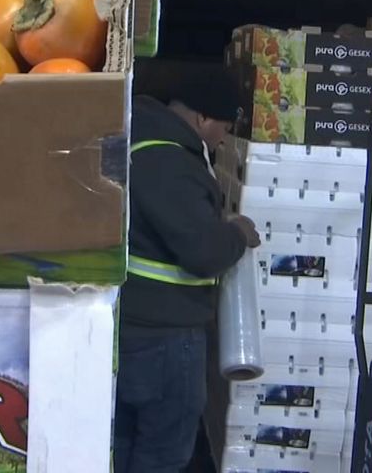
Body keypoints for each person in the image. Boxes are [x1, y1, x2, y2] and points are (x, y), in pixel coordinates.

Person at [114, 72, 261, 473]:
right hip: (165, 338)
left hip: (129, 328)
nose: (224, 141)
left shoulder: (138, 140)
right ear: (202, 120)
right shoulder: (171, 162)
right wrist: (236, 233)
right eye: (224, 129)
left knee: (123, 447)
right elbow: (202, 251)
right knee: (163, 454)